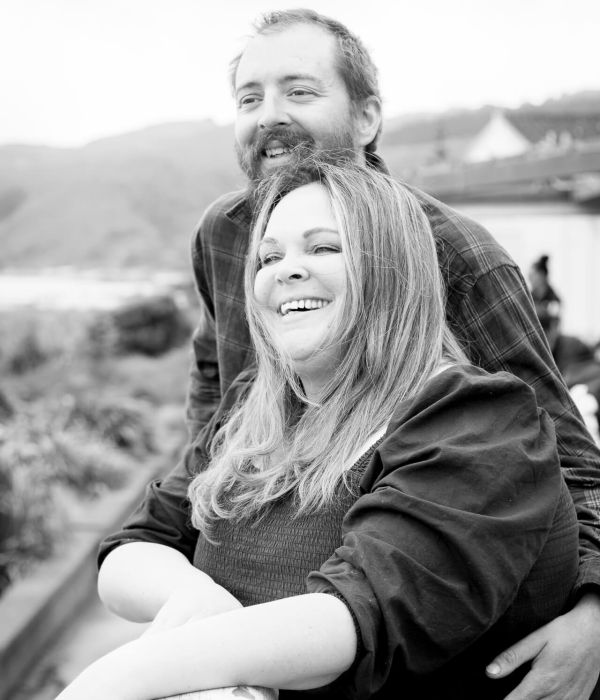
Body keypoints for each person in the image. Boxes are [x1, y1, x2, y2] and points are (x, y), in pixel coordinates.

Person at [185, 9, 600, 699]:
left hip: (397, 622)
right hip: (255, 621)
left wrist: (594, 613)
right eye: (249, 98)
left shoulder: (456, 253)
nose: (270, 115)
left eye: (300, 91)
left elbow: (567, 455)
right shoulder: (223, 234)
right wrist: (190, 555)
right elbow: (212, 387)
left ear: (368, 116)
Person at [57, 160, 580, 699]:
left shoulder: (477, 419)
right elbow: (134, 548)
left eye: (324, 247)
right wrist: (191, 594)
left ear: (394, 268)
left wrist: (120, 677)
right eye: (269, 257)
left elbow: (357, 615)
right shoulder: (255, 406)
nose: (286, 271)